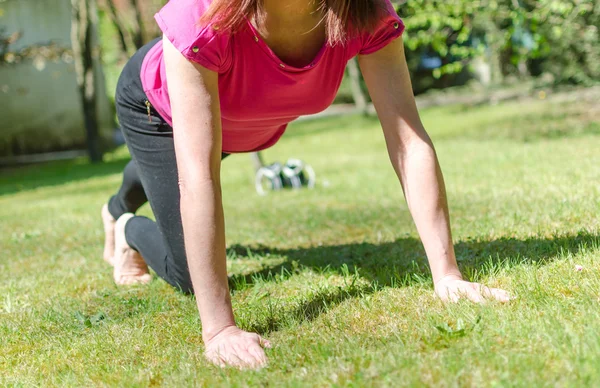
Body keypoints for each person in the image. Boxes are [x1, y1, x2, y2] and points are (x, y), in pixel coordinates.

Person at [101, 0, 511, 369]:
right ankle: (126, 227)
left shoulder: (363, 13)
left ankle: (124, 201)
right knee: (191, 272)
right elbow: (197, 176)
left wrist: (448, 277)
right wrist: (220, 329)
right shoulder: (199, 18)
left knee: (177, 166)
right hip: (157, 110)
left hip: (243, 123)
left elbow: (408, 140)